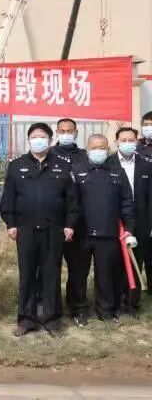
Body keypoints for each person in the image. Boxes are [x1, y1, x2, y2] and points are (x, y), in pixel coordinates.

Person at [2, 123, 79, 337]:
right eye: (34, 136)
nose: (38, 140)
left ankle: (51, 320)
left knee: (51, 273)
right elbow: (8, 199)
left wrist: (70, 224)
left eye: (42, 136)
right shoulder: (16, 166)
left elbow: (72, 200)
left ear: (50, 139)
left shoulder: (62, 166)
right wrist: (10, 224)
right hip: (25, 230)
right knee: (27, 274)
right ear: (29, 140)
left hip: (54, 229)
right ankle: (26, 320)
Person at [69, 134, 135, 326]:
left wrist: (129, 228)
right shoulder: (76, 170)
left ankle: (106, 310)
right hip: (81, 233)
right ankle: (78, 310)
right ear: (87, 149)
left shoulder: (117, 172)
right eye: (94, 147)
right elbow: (68, 202)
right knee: (78, 275)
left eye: (102, 148)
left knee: (106, 275)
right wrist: (69, 226)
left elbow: (126, 202)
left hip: (108, 232)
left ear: (108, 149)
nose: (98, 151)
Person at [106, 127, 151, 316]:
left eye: (131, 140)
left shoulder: (146, 165)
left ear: (137, 141)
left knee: (136, 261)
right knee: (114, 262)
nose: (127, 143)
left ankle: (132, 303)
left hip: (140, 220)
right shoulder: (107, 164)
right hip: (114, 220)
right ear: (116, 142)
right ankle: (114, 301)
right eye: (123, 140)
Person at [48, 118, 89, 321]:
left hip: (79, 221)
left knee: (78, 269)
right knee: (49, 267)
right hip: (53, 221)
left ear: (76, 132)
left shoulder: (84, 156)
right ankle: (50, 306)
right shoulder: (48, 155)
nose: (66, 134)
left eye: (69, 131)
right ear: (56, 132)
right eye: (62, 130)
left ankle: (77, 307)